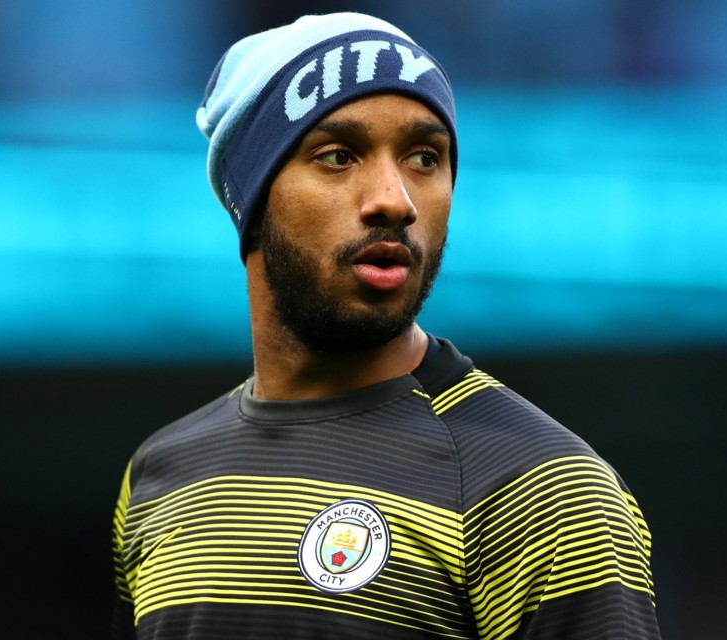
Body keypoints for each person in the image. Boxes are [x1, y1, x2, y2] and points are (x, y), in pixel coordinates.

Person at [111, 12, 660, 640]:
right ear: (253, 200)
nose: (395, 200)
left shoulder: (541, 489)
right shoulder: (160, 475)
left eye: (425, 157)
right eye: (339, 156)